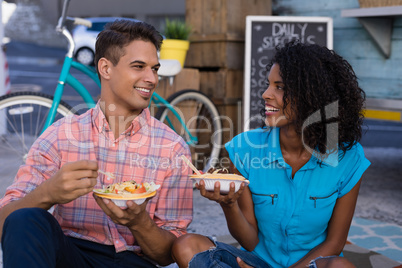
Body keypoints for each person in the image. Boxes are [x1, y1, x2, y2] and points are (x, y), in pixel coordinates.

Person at [0, 20, 193, 268]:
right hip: (70, 254)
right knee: (25, 218)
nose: (151, 78)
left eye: (154, 69)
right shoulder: (61, 135)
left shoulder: (173, 148)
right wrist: (47, 193)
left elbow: (167, 255)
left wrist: (139, 222)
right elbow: (5, 222)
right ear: (105, 68)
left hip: (133, 261)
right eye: (138, 67)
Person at [171, 41, 371, 268]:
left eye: (280, 87)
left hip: (312, 265)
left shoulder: (348, 157)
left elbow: (335, 243)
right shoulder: (244, 149)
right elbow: (250, 240)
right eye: (268, 85)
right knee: (186, 246)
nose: (266, 94)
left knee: (341, 267)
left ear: (313, 96)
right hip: (256, 263)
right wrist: (228, 204)